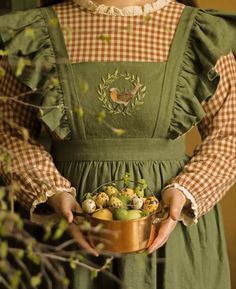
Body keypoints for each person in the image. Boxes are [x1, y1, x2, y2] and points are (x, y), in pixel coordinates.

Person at [0, 0, 235, 288]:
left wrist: (186, 192)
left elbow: (229, 134)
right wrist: (52, 192)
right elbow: (9, 132)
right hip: (68, 230)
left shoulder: (200, 30)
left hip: (172, 232)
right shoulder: (34, 30)